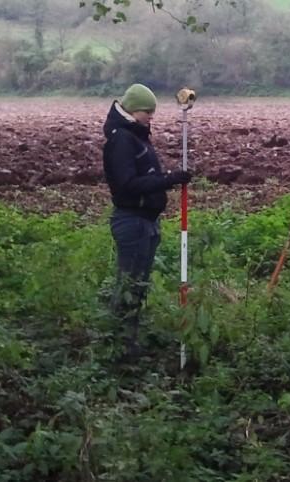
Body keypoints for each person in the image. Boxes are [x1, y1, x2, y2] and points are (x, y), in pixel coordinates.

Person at [103, 83, 191, 359]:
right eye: (146, 112)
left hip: (147, 221)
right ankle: (118, 345)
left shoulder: (137, 136)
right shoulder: (122, 139)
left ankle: (130, 341)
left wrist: (167, 179)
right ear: (132, 110)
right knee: (129, 283)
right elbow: (127, 184)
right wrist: (168, 180)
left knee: (139, 284)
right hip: (132, 221)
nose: (151, 117)